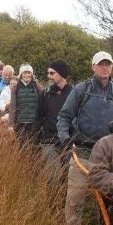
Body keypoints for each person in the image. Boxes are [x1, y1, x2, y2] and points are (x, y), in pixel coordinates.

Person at [56, 51, 113, 225]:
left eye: (108, 64)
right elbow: (64, 117)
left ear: (112, 67)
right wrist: (65, 139)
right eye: (101, 64)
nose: (105, 67)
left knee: (109, 201)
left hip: (108, 156)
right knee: (75, 199)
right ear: (93, 67)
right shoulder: (81, 89)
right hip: (82, 152)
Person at [34, 60, 73, 190]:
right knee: (53, 176)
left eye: (52, 73)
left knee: (68, 177)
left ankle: (64, 207)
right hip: (49, 141)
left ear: (61, 74)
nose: (49, 76)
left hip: (68, 142)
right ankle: (52, 207)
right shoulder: (44, 94)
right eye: (48, 73)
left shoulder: (74, 94)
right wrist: (36, 141)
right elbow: (38, 117)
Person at [8, 64, 42, 142]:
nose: (27, 75)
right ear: (21, 74)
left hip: (34, 123)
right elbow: (12, 107)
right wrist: (10, 125)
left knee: (34, 147)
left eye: (29, 73)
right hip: (20, 123)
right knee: (21, 147)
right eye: (25, 73)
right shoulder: (16, 88)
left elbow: (42, 105)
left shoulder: (37, 86)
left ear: (32, 74)